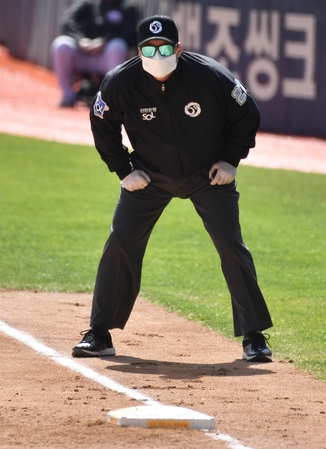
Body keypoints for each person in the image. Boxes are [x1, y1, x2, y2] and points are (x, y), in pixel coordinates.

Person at [72, 16, 274, 362]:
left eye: (164, 47)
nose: (157, 53)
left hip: (209, 175)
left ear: (178, 49)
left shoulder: (210, 76)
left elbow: (247, 114)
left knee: (230, 244)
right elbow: (101, 123)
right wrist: (123, 170)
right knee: (121, 240)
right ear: (138, 51)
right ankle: (100, 333)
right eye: (149, 49)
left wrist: (230, 160)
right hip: (150, 176)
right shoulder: (120, 82)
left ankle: (254, 336)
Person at [51, 0, 138, 107]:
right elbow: (66, 23)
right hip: (83, 53)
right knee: (61, 44)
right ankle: (68, 96)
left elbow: (130, 33)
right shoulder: (87, 3)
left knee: (118, 45)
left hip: (106, 57)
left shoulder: (127, 6)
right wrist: (81, 41)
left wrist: (105, 40)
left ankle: (112, 100)